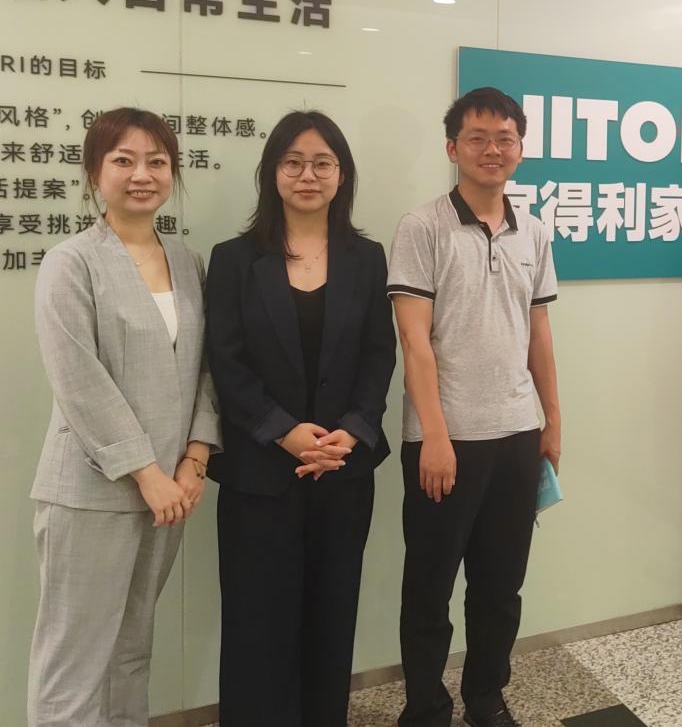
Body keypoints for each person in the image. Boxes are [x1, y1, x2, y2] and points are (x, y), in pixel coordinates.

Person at [28, 107, 221, 727]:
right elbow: (79, 381)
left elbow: (206, 368)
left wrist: (195, 459)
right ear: (95, 173)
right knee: (75, 658)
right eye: (124, 161)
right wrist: (147, 473)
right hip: (94, 489)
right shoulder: (71, 262)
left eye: (157, 162)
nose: (143, 175)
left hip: (171, 490)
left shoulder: (187, 261)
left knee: (131, 649)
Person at [205, 110, 396, 726]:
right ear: (272, 173)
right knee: (257, 625)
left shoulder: (367, 258)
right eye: (293, 162)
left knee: (331, 619)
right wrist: (283, 431)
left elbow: (379, 354)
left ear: (342, 175)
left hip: (342, 472)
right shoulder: (234, 259)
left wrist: (356, 429)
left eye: (322, 163)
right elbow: (225, 362)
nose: (307, 175)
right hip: (259, 475)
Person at [389, 87, 561, 727]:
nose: (493, 149)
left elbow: (539, 334)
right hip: (444, 441)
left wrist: (552, 421)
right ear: (452, 147)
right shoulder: (422, 227)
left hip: (517, 435)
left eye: (505, 138)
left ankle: (485, 700)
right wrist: (435, 436)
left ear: (520, 148)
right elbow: (415, 342)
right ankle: (426, 709)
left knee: (500, 588)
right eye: (478, 138)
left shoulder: (533, 231)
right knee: (428, 590)